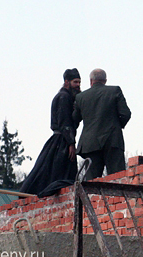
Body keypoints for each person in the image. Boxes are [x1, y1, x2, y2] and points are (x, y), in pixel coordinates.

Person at [21, 68, 80, 197]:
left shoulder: (64, 97)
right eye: (75, 82)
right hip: (62, 140)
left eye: (79, 82)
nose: (78, 85)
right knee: (58, 174)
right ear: (66, 82)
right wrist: (71, 143)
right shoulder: (64, 97)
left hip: (62, 139)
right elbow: (65, 122)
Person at [73, 68, 131, 180]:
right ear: (105, 80)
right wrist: (116, 126)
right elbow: (126, 114)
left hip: (90, 144)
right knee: (117, 180)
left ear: (91, 81)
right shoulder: (115, 91)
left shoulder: (81, 97)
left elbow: (75, 119)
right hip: (112, 141)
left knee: (91, 184)